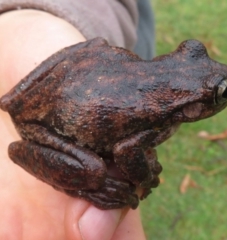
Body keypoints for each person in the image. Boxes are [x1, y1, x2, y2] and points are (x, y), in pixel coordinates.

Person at [0, 1, 155, 239]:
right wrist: (146, 176)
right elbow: (126, 150)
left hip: (60, 95)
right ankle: (87, 189)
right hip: (52, 130)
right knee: (93, 170)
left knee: (99, 47)